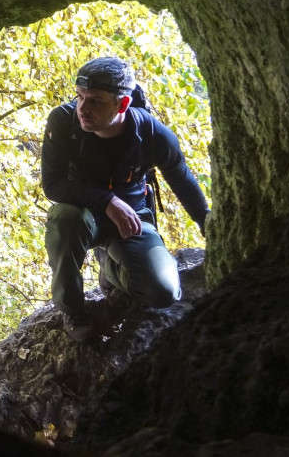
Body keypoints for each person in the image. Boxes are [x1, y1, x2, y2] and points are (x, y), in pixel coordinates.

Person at [41, 56, 210, 343]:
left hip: (132, 217)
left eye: (96, 101)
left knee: (163, 292)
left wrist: (209, 225)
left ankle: (110, 267)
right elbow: (53, 185)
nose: (83, 108)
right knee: (65, 217)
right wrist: (107, 201)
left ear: (122, 105)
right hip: (84, 216)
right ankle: (73, 310)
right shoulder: (63, 122)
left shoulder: (151, 133)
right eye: (80, 97)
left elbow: (182, 179)